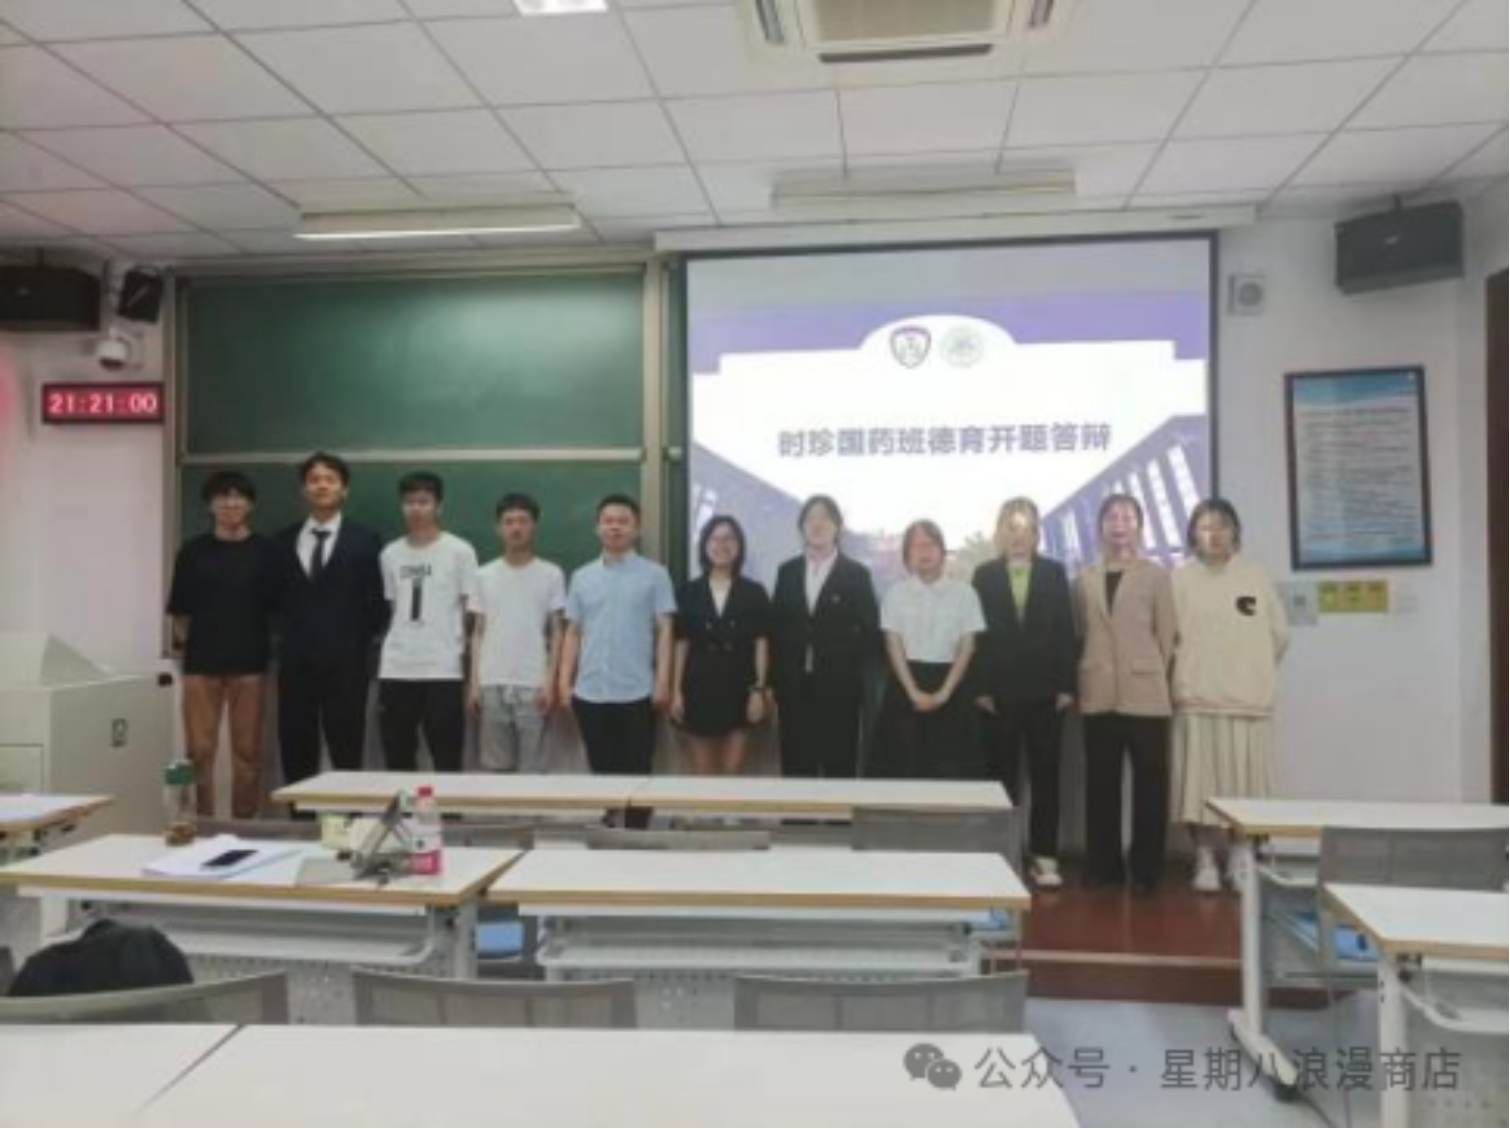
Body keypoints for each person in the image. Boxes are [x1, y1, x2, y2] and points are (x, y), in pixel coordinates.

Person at [1172, 498, 1290, 894]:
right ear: (1194, 534)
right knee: (1197, 787)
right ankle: (1204, 856)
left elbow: (1279, 635)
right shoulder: (1179, 579)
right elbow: (1167, 637)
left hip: (1246, 702)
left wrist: (1250, 670)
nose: (1215, 534)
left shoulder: (1255, 576)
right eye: (1205, 527)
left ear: (1235, 531)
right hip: (1196, 698)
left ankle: (1242, 854)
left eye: (1222, 526)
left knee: (1246, 787)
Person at [972, 498, 1077, 891]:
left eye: (1026, 528)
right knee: (1000, 777)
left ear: (1036, 534)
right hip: (998, 694)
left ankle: (1044, 854)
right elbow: (977, 637)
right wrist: (981, 687)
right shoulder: (984, 575)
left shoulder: (1053, 572)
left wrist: (1066, 685)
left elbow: (1066, 631)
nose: (1018, 536)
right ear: (1001, 532)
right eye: (1011, 528)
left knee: (1046, 776)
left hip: (1046, 693)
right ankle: (1002, 851)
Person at [1076, 493, 1177, 895]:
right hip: (1097, 690)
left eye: (1128, 517)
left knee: (1150, 786)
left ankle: (1146, 869)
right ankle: (1104, 866)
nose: (1119, 524)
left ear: (1139, 526)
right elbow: (1080, 631)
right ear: (1100, 527)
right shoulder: (1084, 577)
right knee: (1100, 783)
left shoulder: (1156, 575)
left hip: (1145, 693)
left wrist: (1150, 670)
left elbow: (1166, 635)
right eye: (1112, 517)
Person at [271, 452, 387, 786]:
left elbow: (376, 602)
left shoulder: (365, 539)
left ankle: (347, 816)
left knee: (347, 747)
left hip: (347, 663)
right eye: (314, 480)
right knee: (296, 746)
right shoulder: (282, 541)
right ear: (303, 489)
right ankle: (301, 817)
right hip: (295, 662)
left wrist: (353, 640)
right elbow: (273, 600)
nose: (321, 485)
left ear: (344, 489)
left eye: (330, 480)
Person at [166, 471, 276, 819]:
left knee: (247, 751)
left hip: (250, 664)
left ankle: (244, 823)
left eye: (239, 497)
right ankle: (201, 821)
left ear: (250, 504)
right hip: (201, 666)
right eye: (222, 497)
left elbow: (276, 610)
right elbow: (180, 614)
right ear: (209, 505)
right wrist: (199, 646)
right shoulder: (192, 552)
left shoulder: (266, 552)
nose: (231, 503)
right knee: (199, 750)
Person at [559, 495, 676, 778]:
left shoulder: (656, 575)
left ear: (637, 529)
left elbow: (665, 630)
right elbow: (573, 632)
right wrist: (564, 683)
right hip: (589, 692)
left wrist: (662, 681)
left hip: (638, 692)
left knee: (638, 772)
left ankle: (636, 813)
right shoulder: (581, 577)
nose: (615, 527)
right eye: (608, 521)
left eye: (623, 521)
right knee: (601, 774)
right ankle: (606, 810)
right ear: (597, 527)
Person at [770, 495, 880, 780]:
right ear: (802, 527)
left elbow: (870, 633)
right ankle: (797, 812)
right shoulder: (787, 571)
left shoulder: (856, 574)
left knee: (838, 766)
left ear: (837, 527)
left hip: (840, 688)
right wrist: (773, 683)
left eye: (825, 518)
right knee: (796, 766)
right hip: (794, 688)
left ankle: (837, 812)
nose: (817, 524)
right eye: (810, 518)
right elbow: (776, 629)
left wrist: (847, 665)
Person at [377, 472, 478, 774]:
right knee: (398, 758)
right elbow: (393, 606)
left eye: (424, 502)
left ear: (438, 506)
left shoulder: (460, 551)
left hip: (442, 668)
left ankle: (448, 807)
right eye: (409, 502)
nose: (416, 509)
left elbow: (470, 609)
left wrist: (456, 646)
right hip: (396, 667)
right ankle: (403, 808)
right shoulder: (390, 554)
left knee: (447, 759)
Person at [873, 520, 985, 780]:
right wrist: (913, 691)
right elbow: (893, 644)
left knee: (952, 773)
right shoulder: (895, 594)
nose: (924, 551)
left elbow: (968, 646)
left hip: (952, 689)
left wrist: (944, 694)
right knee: (903, 770)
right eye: (916, 545)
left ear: (943, 551)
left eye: (930, 544)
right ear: (907, 555)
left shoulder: (965, 593)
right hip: (905, 688)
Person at [469, 493, 567, 775]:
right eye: (509, 521)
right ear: (498, 527)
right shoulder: (483, 575)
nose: (516, 528)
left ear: (534, 525)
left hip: (533, 682)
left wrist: (550, 682)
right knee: (495, 768)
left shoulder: (551, 574)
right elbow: (477, 632)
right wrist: (474, 684)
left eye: (523, 521)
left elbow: (557, 632)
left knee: (533, 770)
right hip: (491, 682)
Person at [671, 516, 772, 776]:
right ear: (705, 545)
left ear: (739, 546)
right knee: (703, 773)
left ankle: (729, 810)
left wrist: (758, 690)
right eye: (715, 539)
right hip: (697, 688)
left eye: (729, 539)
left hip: (740, 688)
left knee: (733, 771)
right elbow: (681, 644)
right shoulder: (687, 592)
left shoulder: (754, 592)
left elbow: (761, 643)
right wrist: (677, 691)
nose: (722, 545)